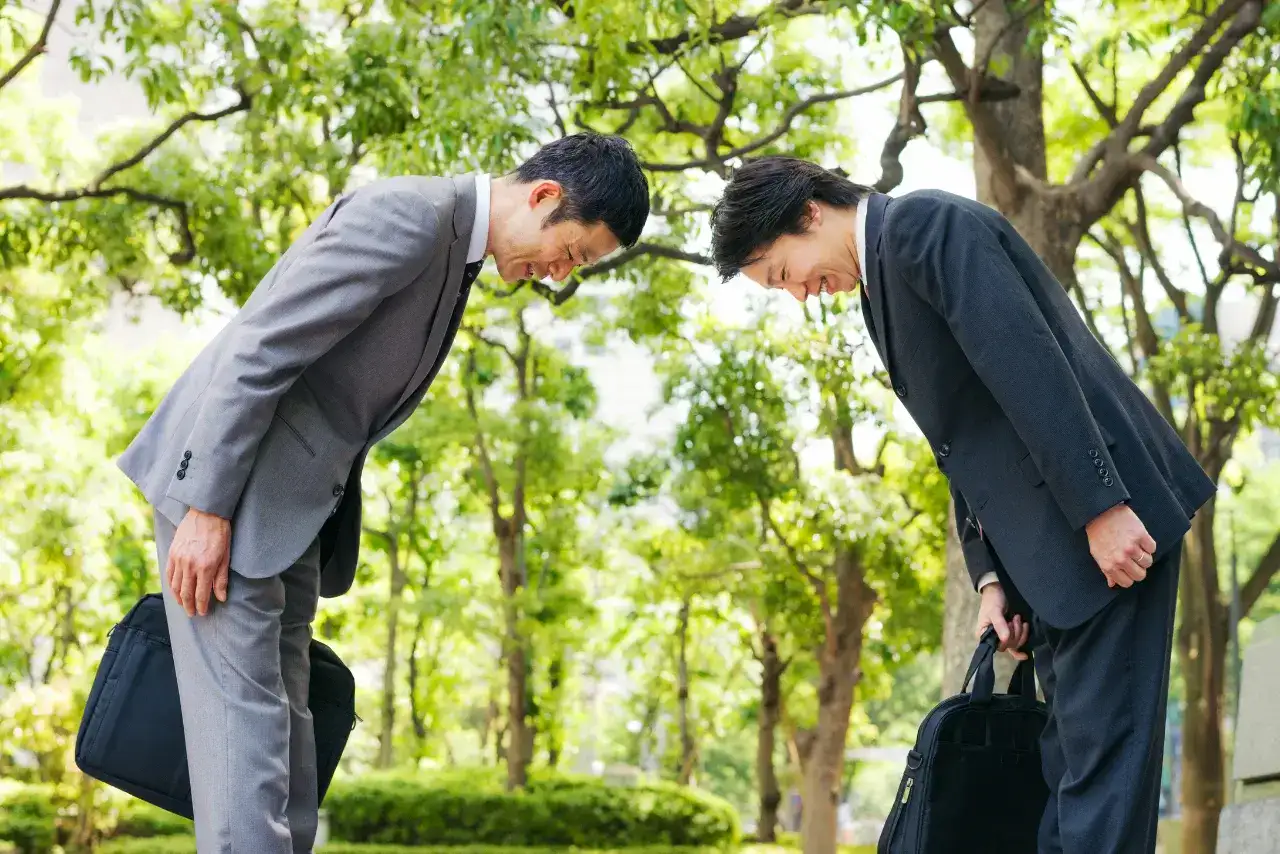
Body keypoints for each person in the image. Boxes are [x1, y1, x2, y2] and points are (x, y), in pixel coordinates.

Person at [116, 132, 649, 853]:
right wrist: (206, 508)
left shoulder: (455, 251)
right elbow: (260, 346)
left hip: (291, 518)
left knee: (289, 736)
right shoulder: (411, 217)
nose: (559, 276)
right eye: (574, 254)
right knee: (245, 740)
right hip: (228, 499)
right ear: (545, 196)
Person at [709, 156, 1215, 854]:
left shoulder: (925, 226)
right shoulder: (879, 281)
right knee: (1068, 778)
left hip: (1109, 534)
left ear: (807, 214)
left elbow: (1030, 368)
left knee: (1102, 791)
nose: (798, 294)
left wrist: (1101, 508)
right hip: (1054, 565)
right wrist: (990, 578)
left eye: (781, 272)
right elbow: (965, 442)